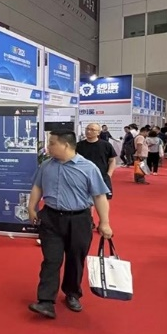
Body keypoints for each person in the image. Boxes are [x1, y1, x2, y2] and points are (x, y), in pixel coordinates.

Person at [27, 130, 113, 319]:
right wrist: (31, 207)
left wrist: (104, 222)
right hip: (50, 218)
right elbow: (37, 187)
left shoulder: (88, 168)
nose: (48, 147)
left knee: (75, 259)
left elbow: (99, 196)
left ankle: (72, 294)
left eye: (52, 143)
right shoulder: (46, 166)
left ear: (65, 145)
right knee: (51, 260)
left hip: (79, 220)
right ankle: (46, 301)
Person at [75, 123, 117, 200]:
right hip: (83, 177)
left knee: (103, 200)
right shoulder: (78, 145)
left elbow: (112, 160)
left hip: (102, 177)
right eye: (87, 129)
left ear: (98, 132)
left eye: (92, 130)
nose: (88, 131)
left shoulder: (106, 145)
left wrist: (109, 174)